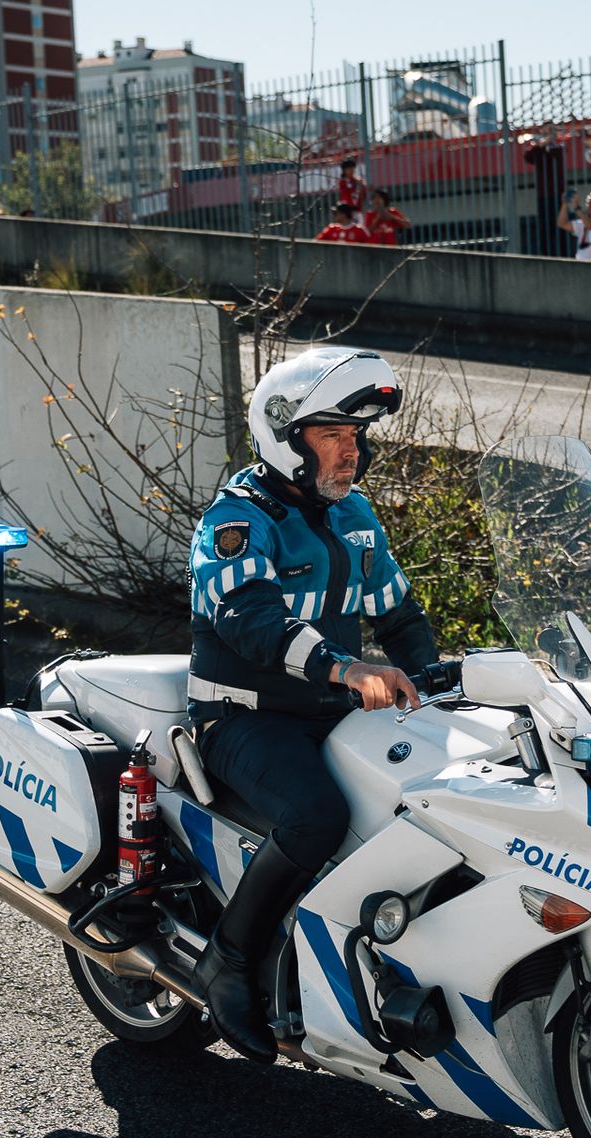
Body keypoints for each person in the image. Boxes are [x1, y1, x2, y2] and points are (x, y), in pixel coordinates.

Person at [186, 347, 437, 1063]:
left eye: (355, 437)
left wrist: (439, 675)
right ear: (284, 438)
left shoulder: (353, 516)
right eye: (332, 435)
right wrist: (342, 666)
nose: (350, 450)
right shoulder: (237, 522)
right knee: (317, 815)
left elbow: (397, 612)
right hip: (243, 717)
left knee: (421, 798)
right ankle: (228, 961)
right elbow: (249, 619)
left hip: (327, 713)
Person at [520, 127, 569, 256]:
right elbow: (528, 157)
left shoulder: (559, 148)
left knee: (560, 227)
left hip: (558, 195)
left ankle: (564, 255)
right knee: (545, 228)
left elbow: (558, 155)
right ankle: (545, 255)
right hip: (543, 196)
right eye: (546, 133)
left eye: (551, 132)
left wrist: (547, 146)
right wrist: (541, 145)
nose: (548, 135)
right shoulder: (538, 150)